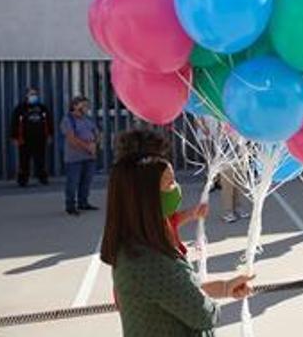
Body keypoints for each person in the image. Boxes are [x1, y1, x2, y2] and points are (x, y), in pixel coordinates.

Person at [101, 129, 253, 336]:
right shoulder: (148, 260)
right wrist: (211, 303)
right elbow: (206, 315)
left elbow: (177, 289)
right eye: (170, 183)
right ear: (147, 196)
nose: (176, 189)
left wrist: (226, 287)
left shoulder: (140, 242)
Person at [60, 96, 99, 215]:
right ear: (75, 106)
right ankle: (70, 206)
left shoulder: (88, 119)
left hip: (89, 157)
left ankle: (83, 202)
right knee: (73, 182)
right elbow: (72, 139)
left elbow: (96, 132)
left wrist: (95, 143)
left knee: (86, 181)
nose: (86, 108)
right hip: (74, 158)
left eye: (87, 105)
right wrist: (88, 147)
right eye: (84, 105)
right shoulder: (68, 120)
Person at [9, 87, 53, 186]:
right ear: (27, 95)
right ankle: (23, 180)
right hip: (24, 139)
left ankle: (43, 178)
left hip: (40, 139)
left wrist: (50, 135)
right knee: (24, 160)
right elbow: (14, 123)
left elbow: (49, 122)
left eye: (35, 94)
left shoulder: (42, 108)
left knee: (41, 160)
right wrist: (14, 137)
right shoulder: (20, 108)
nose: (34, 96)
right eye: (31, 94)